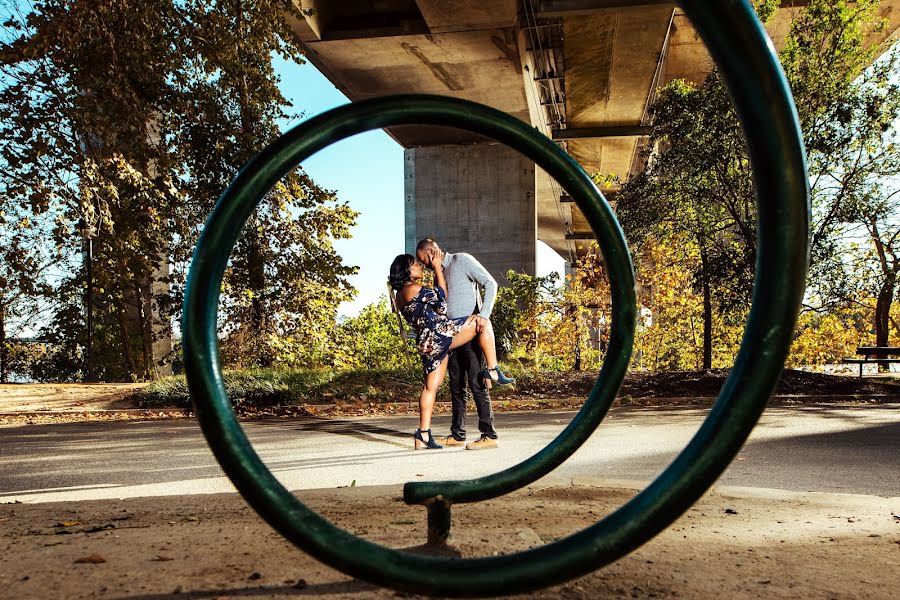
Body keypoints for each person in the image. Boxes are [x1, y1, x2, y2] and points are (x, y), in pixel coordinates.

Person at [388, 251, 514, 450]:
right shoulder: (412, 288)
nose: (420, 267)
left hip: (427, 342)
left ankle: (423, 434)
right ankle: (492, 369)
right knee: (483, 321)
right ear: (406, 271)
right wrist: (438, 268)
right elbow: (442, 300)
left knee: (430, 388)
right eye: (415, 265)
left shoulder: (399, 294)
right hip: (440, 335)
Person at [416, 239, 500, 450]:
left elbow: (491, 283)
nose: (423, 264)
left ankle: (489, 435)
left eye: (423, 259)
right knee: (456, 387)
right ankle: (458, 434)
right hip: (450, 337)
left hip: (471, 333)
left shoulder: (462, 260)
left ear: (432, 251)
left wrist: (484, 315)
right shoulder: (438, 274)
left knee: (476, 383)